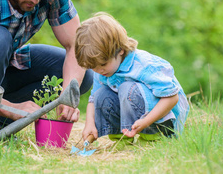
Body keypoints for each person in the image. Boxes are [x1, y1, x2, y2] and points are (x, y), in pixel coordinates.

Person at [75, 12, 189, 147]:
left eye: (103, 64)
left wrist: (146, 121)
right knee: (102, 94)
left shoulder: (143, 66)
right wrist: (89, 124)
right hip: (139, 118)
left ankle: (152, 138)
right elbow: (93, 99)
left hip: (164, 121)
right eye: (93, 67)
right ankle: (122, 138)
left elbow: (172, 98)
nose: (99, 71)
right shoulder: (102, 70)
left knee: (127, 88)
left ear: (120, 50)